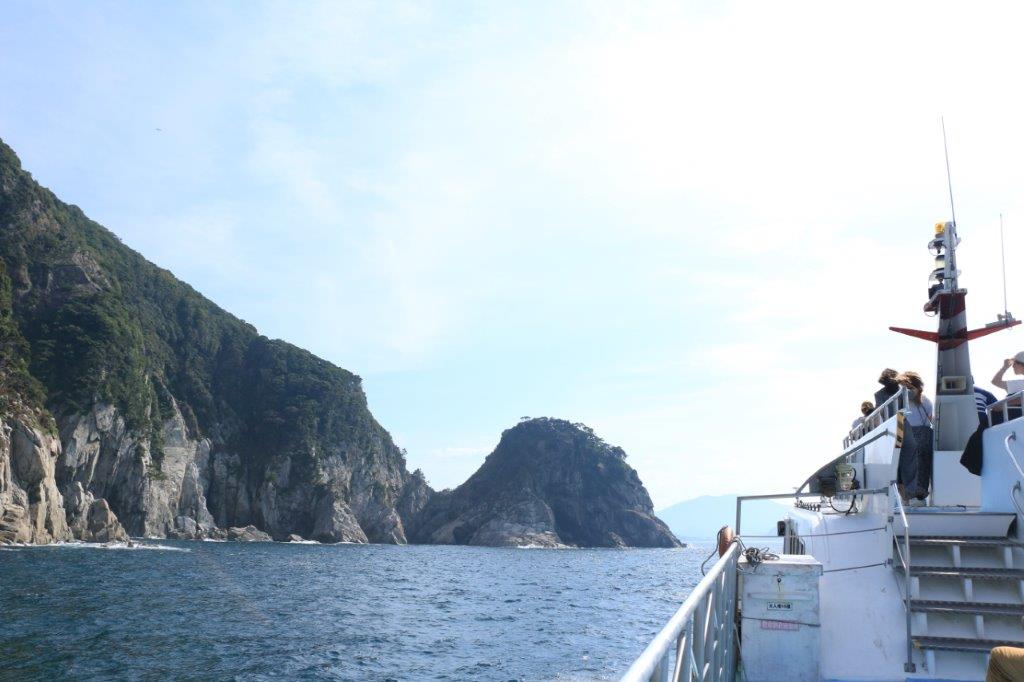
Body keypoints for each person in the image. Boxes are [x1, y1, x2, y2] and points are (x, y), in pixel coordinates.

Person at [897, 371, 933, 503]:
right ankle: (920, 496)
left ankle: (906, 499)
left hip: (907, 436)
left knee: (904, 469)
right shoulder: (926, 401)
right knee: (923, 468)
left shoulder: (900, 401)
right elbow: (930, 419)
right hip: (925, 437)